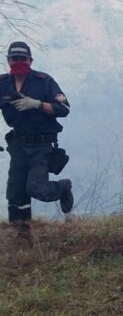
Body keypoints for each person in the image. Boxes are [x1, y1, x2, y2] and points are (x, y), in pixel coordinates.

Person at [0, 41, 74, 238]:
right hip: (17, 144)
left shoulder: (44, 81)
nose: (18, 62)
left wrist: (38, 104)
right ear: (8, 60)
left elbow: (64, 108)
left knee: (37, 189)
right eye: (15, 59)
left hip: (41, 146)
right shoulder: (2, 83)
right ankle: (21, 237)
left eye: (22, 59)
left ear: (30, 60)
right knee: (16, 193)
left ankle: (63, 187)